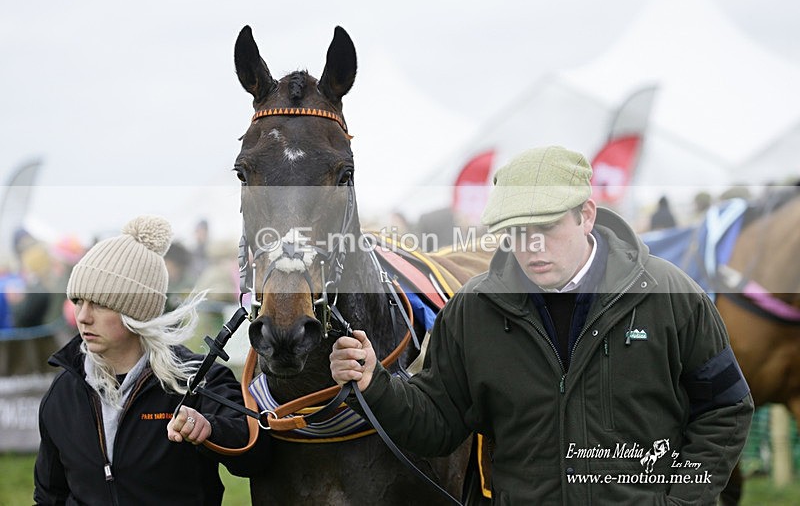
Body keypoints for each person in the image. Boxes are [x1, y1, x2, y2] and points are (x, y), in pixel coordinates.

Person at [331, 146, 754, 504]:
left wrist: (680, 500)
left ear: (586, 215)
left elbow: (726, 407)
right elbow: (438, 423)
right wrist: (375, 384)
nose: (531, 245)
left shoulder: (670, 295)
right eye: (516, 231)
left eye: (546, 226)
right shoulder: (472, 312)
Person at [34, 215, 250, 505]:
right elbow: (50, 495)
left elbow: (254, 458)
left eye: (99, 303)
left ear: (135, 311)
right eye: (78, 301)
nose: (82, 316)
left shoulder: (197, 379)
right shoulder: (63, 390)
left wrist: (211, 429)